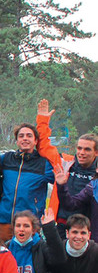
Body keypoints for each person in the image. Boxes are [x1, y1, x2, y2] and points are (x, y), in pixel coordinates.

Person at [36, 99, 98, 234]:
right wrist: (43, 121)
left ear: (96, 152)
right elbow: (43, 147)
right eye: (79, 148)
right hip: (61, 224)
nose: (81, 153)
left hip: (88, 229)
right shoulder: (65, 163)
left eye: (87, 149)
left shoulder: (97, 173)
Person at [0, 122, 54, 241]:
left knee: (27, 257)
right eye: (21, 136)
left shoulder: (43, 164)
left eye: (29, 136)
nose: (25, 139)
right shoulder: (6, 159)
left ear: (36, 141)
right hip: (4, 220)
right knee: (2, 256)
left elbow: (59, 180)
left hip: (29, 223)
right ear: (17, 141)